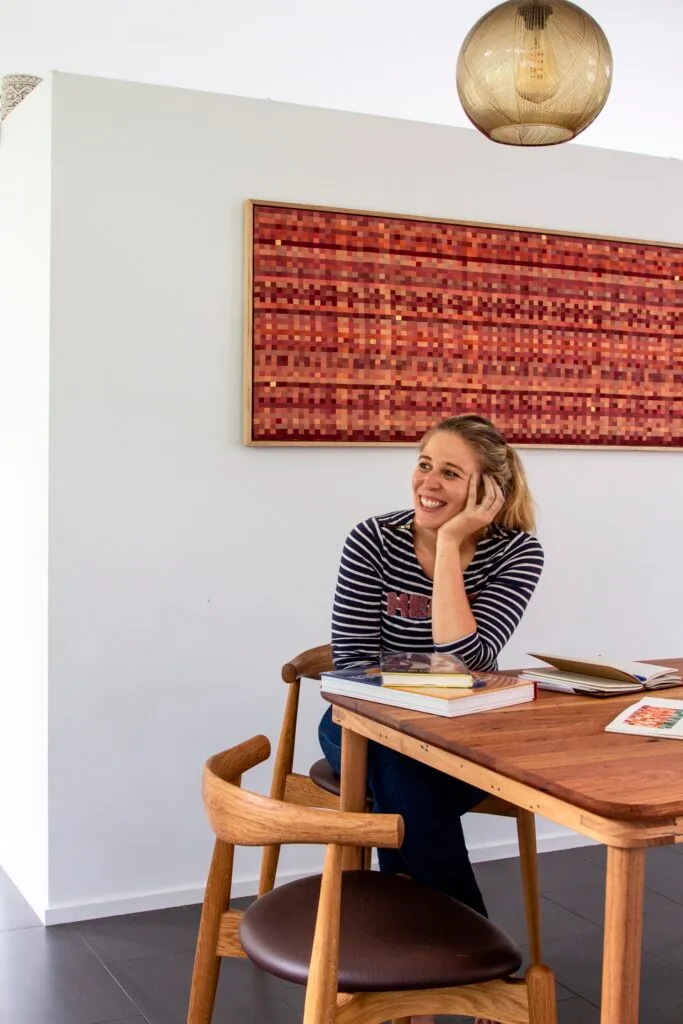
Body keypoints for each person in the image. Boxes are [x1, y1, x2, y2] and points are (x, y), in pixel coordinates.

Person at [318, 413, 544, 1024]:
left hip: (462, 731)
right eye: (424, 464)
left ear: (486, 491)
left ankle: (410, 968)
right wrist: (418, 696)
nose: (429, 483)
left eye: (451, 473)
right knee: (400, 773)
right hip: (362, 725)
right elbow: (352, 669)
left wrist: (448, 547)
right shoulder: (373, 539)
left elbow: (469, 658)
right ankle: (474, 953)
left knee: (407, 792)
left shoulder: (517, 552)